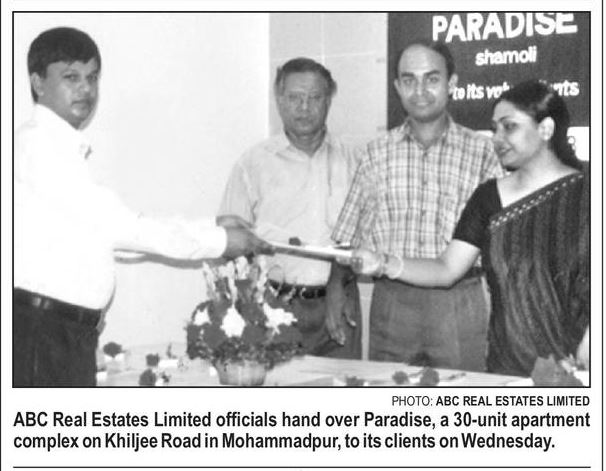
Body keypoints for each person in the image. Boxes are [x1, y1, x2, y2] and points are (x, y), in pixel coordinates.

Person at [14, 26, 272, 387]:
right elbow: (123, 230)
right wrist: (221, 241)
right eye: (71, 77)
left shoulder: (55, 148)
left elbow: (112, 238)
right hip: (43, 335)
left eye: (93, 77)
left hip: (61, 334)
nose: (86, 89)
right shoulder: (40, 149)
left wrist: (213, 225)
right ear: (38, 83)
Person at [349, 80, 589, 377]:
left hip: (578, 364)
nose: (497, 138)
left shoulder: (589, 191)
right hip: (507, 365)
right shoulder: (489, 196)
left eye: (509, 127)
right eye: (495, 129)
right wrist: (384, 263)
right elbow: (447, 268)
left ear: (546, 129)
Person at [328, 41, 504, 370]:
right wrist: (336, 289)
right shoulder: (377, 152)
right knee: (387, 395)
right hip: (393, 302)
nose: (420, 91)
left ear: (451, 83)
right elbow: (347, 233)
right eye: (409, 80)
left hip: (458, 302)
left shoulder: (484, 153)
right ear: (397, 87)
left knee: (463, 396)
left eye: (431, 79)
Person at [218, 57, 362, 358]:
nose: (304, 107)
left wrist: (341, 283)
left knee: (345, 384)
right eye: (295, 98)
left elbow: (367, 235)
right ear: (279, 100)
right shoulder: (252, 164)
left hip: (339, 302)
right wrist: (247, 305)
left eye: (315, 98)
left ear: (329, 100)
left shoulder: (355, 160)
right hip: (273, 306)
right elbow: (229, 241)